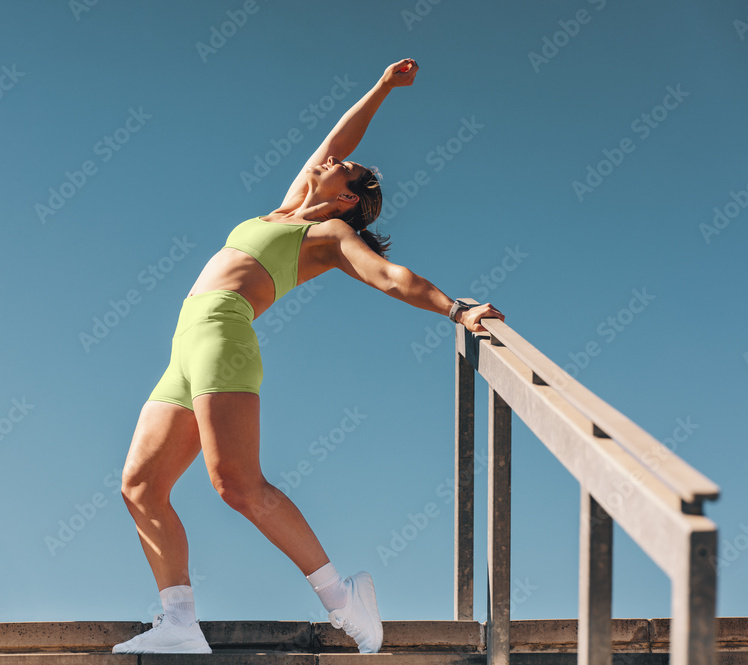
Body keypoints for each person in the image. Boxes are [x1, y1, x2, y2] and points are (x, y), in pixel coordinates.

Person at [112, 58, 505, 655]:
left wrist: (457, 310)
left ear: (346, 198)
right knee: (140, 485)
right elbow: (338, 139)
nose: (326, 160)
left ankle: (343, 598)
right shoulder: (290, 208)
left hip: (223, 337)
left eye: (339, 170)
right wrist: (382, 87)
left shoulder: (329, 237)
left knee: (237, 486)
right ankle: (180, 622)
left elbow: (391, 277)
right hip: (184, 349)